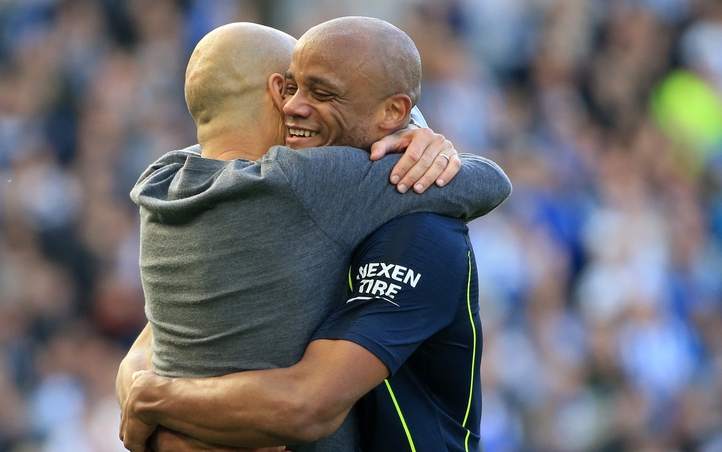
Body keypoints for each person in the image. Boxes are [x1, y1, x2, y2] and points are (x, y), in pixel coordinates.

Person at [119, 17, 510, 452]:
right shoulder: (301, 183)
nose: (294, 107)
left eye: (319, 93)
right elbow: (489, 180)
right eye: (292, 87)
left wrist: (153, 400)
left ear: (392, 111)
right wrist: (423, 136)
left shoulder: (162, 180)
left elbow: (303, 403)